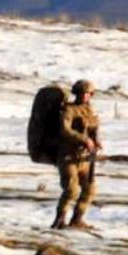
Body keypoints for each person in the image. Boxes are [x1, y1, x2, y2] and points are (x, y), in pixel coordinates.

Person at [52, 79, 101, 230]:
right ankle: (59, 220)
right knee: (71, 190)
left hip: (85, 158)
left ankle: (77, 219)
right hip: (68, 158)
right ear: (77, 94)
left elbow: (93, 128)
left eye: (88, 94)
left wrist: (96, 141)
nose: (85, 96)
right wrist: (84, 139)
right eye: (83, 93)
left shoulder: (89, 110)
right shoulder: (69, 110)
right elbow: (64, 130)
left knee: (90, 189)